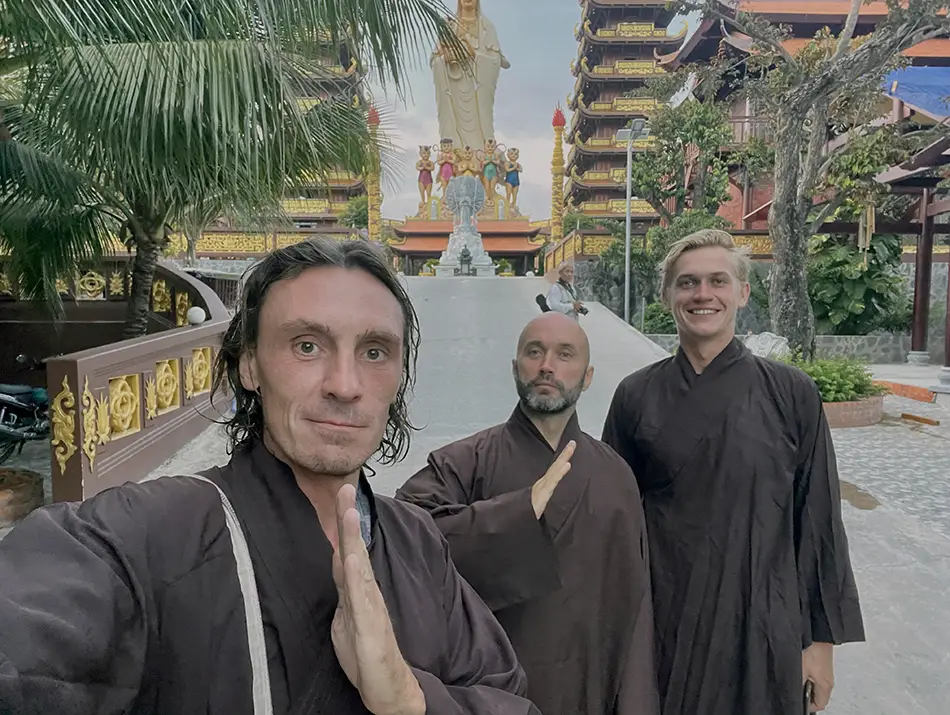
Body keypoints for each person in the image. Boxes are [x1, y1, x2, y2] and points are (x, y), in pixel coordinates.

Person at [0, 239, 542, 715]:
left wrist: (407, 697)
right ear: (249, 364)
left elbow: (506, 696)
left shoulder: (417, 542)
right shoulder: (150, 534)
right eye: (307, 345)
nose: (345, 385)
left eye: (375, 352)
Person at [601, 229, 865, 715]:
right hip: (663, 621)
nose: (703, 294)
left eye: (718, 281)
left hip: (761, 621)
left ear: (743, 293)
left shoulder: (792, 393)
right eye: (687, 283)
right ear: (667, 297)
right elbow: (611, 524)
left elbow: (819, 521)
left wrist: (820, 645)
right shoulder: (634, 396)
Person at [396, 312, 658, 715]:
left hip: (592, 688)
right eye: (534, 352)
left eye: (564, 354)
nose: (547, 365)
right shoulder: (464, 463)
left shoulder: (615, 474)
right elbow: (406, 542)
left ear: (587, 377)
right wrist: (517, 514)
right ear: (515, 367)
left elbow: (635, 607)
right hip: (494, 693)